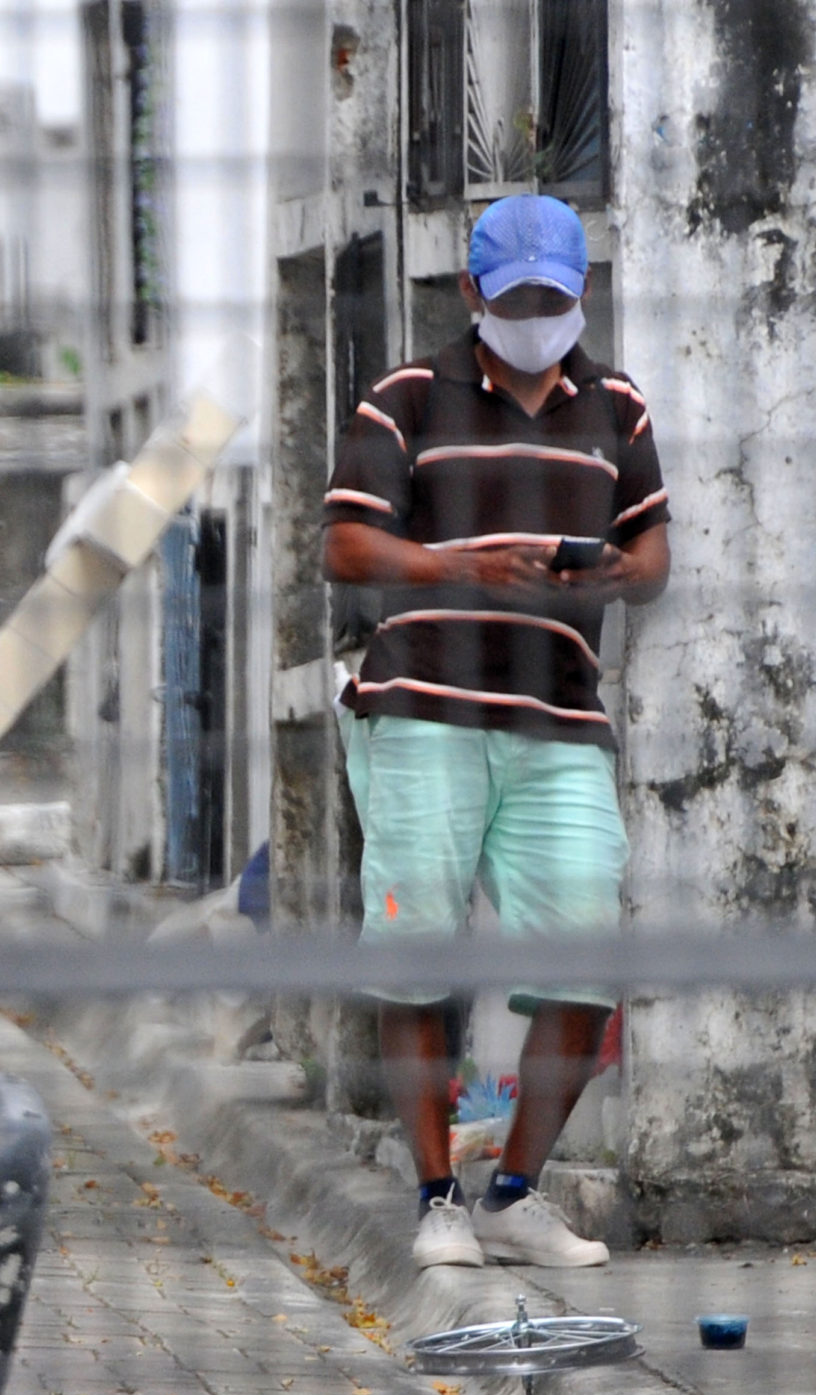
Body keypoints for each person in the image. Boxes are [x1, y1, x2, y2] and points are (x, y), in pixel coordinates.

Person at [321, 194, 671, 1270]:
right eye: (516, 298)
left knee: (582, 952)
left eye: (554, 300)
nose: (536, 316)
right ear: (471, 294)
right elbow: (343, 545)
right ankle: (436, 1201)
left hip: (560, 718)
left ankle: (514, 1194)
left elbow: (653, 551)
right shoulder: (406, 401)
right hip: (422, 707)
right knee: (419, 956)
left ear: (580, 297)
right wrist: (453, 568)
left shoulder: (616, 404)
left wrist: (618, 572)